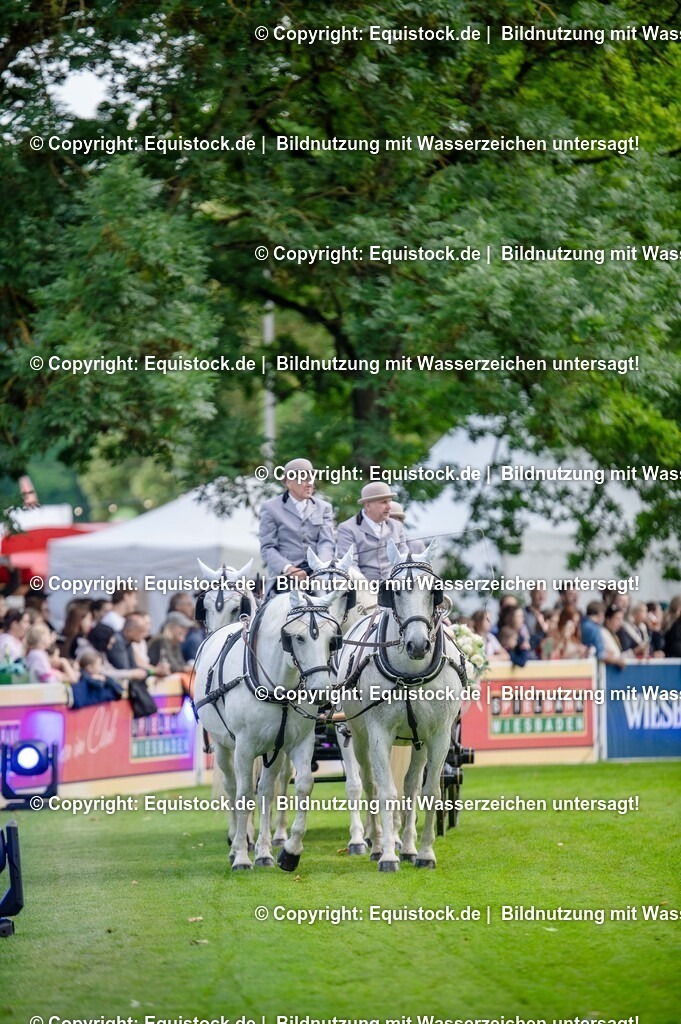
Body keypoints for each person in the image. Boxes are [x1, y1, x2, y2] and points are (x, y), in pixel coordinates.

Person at [259, 457, 336, 591]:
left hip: (317, 573)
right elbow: (268, 548)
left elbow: (327, 542)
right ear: (289, 482)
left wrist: (321, 566)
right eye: (304, 479)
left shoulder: (324, 507)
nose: (309, 484)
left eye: (311, 479)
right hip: (285, 577)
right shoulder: (270, 507)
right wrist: (289, 569)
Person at [336, 482, 408, 580]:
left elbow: (404, 559)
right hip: (363, 589)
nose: (389, 507)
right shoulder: (347, 528)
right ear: (367, 505)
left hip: (395, 588)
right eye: (384, 502)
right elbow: (349, 564)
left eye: (389, 501)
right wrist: (365, 589)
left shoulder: (397, 526)